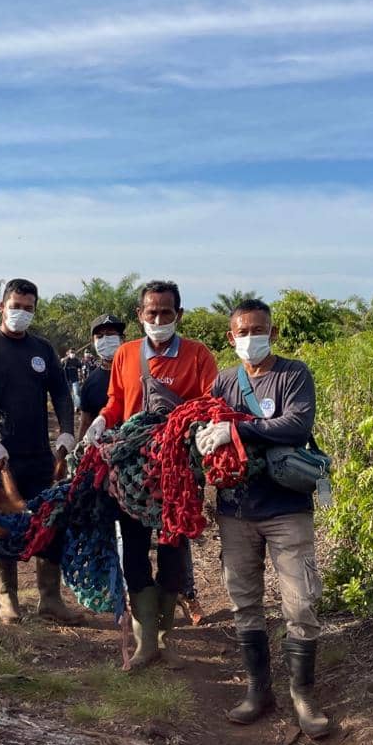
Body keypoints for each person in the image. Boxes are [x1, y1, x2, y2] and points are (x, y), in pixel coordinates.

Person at [195, 298, 329, 736]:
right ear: (230, 337)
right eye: (242, 331)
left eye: (259, 330)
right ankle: (258, 689)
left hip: (286, 509)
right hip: (236, 510)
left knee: (301, 602)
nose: (251, 338)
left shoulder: (293, 374)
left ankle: (302, 695)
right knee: (244, 602)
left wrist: (238, 429)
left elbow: (296, 425)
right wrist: (201, 438)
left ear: (271, 333)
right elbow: (204, 421)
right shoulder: (224, 382)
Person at [84, 280, 217, 668]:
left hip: (177, 470)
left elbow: (210, 405)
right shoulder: (126, 355)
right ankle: (145, 641)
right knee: (136, 546)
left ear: (179, 314)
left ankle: (164, 635)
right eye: (151, 313)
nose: (158, 320)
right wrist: (102, 421)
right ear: (140, 315)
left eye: (166, 313)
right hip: (131, 471)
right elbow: (116, 402)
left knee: (174, 548)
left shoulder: (197, 355)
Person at [0, 278, 82, 625]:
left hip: (40, 454)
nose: (21, 313)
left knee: (50, 522)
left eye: (28, 308)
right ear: (2, 307)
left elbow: (61, 392)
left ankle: (50, 599)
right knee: (0, 526)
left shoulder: (42, 349)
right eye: (16, 306)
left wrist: (66, 432)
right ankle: (8, 602)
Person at [76, 314, 124, 440]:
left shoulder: (135, 371)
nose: (105, 339)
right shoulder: (90, 382)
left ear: (122, 338)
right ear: (93, 342)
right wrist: (76, 454)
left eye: (110, 334)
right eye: (100, 336)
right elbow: (86, 422)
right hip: (102, 451)